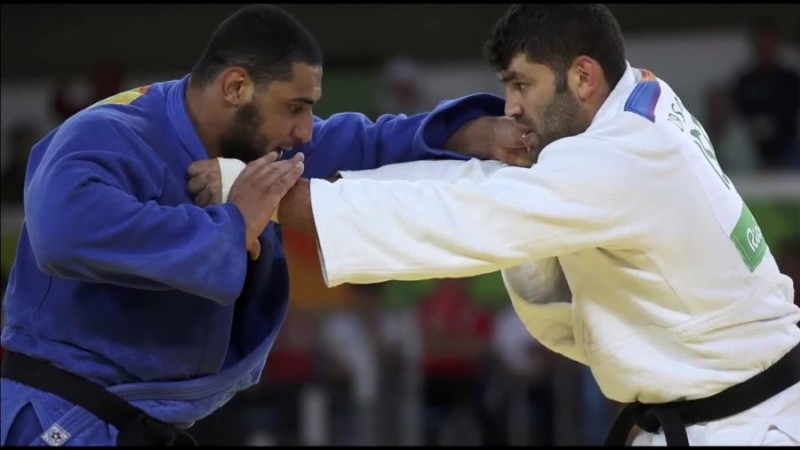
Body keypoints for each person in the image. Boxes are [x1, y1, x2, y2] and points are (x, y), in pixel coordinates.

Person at [200, 4, 800, 446]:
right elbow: (500, 207)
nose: (511, 107)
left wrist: (265, 197)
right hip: (703, 412)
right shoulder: (639, 98)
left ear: (584, 77)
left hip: (742, 426)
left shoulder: (623, 156)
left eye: (522, 85)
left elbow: (464, 213)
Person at [0, 4, 530, 447]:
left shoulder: (253, 143)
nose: (304, 131)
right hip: (63, 418)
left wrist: (472, 133)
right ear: (236, 87)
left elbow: (364, 141)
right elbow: (62, 232)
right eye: (295, 108)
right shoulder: (106, 134)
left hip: (139, 420)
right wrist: (232, 225)